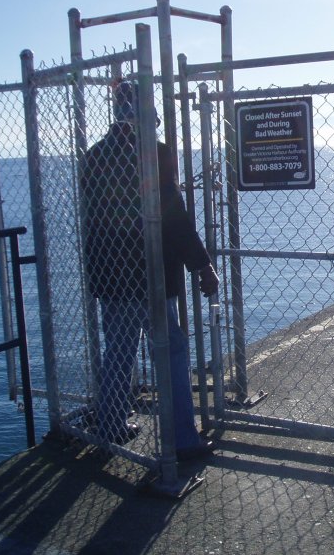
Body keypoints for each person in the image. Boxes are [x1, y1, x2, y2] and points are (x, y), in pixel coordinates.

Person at [80, 80, 219, 460]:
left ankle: (110, 425)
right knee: (171, 352)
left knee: (119, 351)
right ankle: (181, 440)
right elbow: (173, 216)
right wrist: (201, 264)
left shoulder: (93, 157)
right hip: (152, 275)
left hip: (111, 277)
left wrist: (99, 276)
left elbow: (93, 223)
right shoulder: (155, 154)